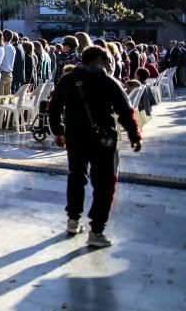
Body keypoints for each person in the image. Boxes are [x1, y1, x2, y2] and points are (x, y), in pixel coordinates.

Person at [48, 46, 143, 247]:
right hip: (103, 138)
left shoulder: (68, 80)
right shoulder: (107, 81)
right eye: (108, 59)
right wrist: (135, 136)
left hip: (75, 136)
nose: (110, 63)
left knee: (76, 176)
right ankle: (97, 230)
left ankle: (73, 220)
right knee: (104, 184)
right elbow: (126, 111)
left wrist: (59, 132)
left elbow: (53, 107)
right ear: (99, 59)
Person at [0, 30, 15, 97]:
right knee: (7, 96)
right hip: (9, 73)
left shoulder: (2, 47)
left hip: (2, 72)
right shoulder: (13, 47)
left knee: (0, 97)